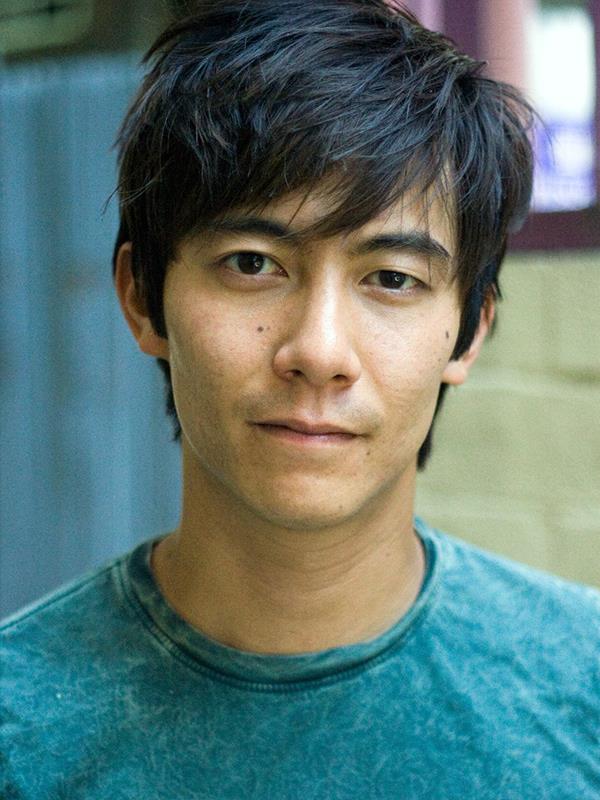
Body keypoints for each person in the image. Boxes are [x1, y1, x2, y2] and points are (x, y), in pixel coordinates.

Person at [2, 1, 599, 797]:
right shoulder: (20, 727)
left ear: (468, 332)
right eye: (253, 263)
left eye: (392, 278)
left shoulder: (582, 687)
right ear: (142, 297)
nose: (318, 352)